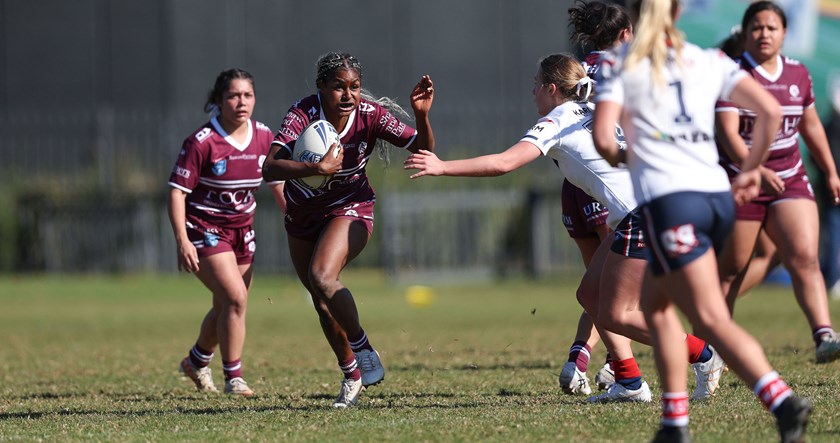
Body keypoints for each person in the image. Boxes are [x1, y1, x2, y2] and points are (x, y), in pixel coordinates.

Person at [404, 52, 723, 404]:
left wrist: (442, 166)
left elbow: (505, 162)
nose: (533, 92)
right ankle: (630, 383)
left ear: (551, 88)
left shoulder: (557, 120)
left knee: (619, 312)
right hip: (648, 208)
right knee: (590, 294)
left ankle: (703, 355)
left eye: (536, 85)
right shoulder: (593, 110)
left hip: (642, 213)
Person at [593, 0, 812, 440]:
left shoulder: (622, 62)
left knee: (710, 319)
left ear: (634, 16)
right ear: (677, 12)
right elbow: (769, 113)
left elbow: (603, 139)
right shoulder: (708, 58)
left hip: (673, 203)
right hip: (716, 198)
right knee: (655, 305)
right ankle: (674, 424)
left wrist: (626, 154)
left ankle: (783, 402)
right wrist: (750, 168)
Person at [261, 52, 435, 408]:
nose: (348, 95)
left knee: (322, 277)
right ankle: (352, 376)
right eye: (338, 87)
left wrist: (421, 115)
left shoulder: (371, 115)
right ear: (322, 88)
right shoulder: (304, 112)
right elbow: (270, 167)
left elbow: (423, 149)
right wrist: (316, 167)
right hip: (302, 213)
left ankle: (364, 349)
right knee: (322, 304)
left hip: (350, 208)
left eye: (354, 87)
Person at [715, 0, 840, 364]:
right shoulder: (732, 75)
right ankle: (716, 343)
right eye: (757, 27)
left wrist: (831, 170)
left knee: (804, 257)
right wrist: (755, 170)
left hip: (790, 178)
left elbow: (811, 125)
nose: (764, 34)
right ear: (746, 33)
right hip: (744, 182)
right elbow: (728, 134)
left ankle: (824, 335)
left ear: (785, 33)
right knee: (733, 268)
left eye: (772, 28)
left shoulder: (798, 74)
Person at [168, 68, 285, 396]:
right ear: (218, 101)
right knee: (236, 298)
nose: (241, 102)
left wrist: (296, 215)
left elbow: (276, 181)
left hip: (241, 231)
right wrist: (182, 241)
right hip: (204, 229)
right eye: (233, 95)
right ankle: (234, 378)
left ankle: (195, 361)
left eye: (247, 95)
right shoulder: (202, 142)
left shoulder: (263, 136)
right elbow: (177, 192)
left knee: (226, 305)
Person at [553, 0, 636, 395]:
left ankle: (599, 365)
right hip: (614, 184)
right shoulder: (631, 71)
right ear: (625, 34)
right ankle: (621, 369)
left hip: (575, 184)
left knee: (596, 286)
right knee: (613, 290)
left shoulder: (575, 72)